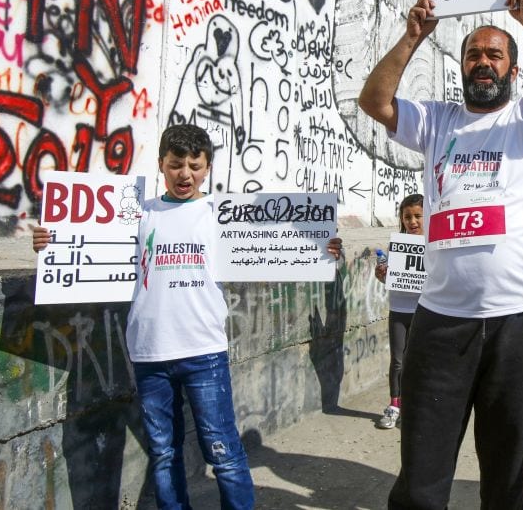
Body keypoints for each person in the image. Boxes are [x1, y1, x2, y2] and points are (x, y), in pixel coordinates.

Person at [358, 0, 523, 509]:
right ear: (463, 66)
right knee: (421, 478)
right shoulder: (436, 120)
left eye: (495, 55)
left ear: (512, 70)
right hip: (442, 322)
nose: (483, 62)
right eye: (474, 54)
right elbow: (374, 102)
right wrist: (413, 35)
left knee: (510, 477)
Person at [32, 124, 342, 509]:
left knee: (223, 452)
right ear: (161, 164)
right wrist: (51, 241)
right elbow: (83, 239)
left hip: (203, 354)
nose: (185, 174)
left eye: (194, 165)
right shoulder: (138, 213)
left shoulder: (221, 214)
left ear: (207, 167)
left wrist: (320, 248)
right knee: (163, 454)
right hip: (149, 355)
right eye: (176, 164)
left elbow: (279, 244)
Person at [374, 194, 425, 429]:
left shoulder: (436, 244)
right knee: (398, 361)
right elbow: (392, 279)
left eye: (417, 216)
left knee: (423, 361)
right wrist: (383, 275)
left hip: (426, 311)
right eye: (407, 217)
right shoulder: (396, 246)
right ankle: (395, 405)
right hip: (399, 310)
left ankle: (418, 408)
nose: (412, 221)